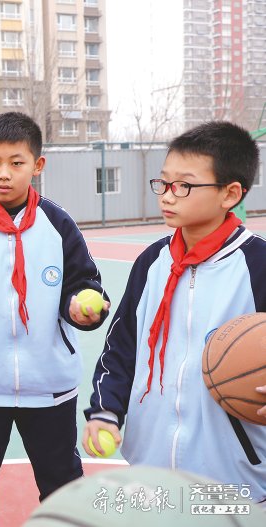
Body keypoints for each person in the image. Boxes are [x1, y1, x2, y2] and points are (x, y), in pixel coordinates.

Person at [0, 112, 111, 526]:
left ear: (38, 165)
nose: (4, 174)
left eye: (16, 162)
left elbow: (85, 285)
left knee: (62, 482)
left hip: (49, 386)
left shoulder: (58, 223)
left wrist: (83, 309)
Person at [83, 121, 266, 504]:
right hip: (151, 473)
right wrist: (105, 411)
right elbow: (121, 349)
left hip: (235, 478)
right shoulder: (152, 262)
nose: (167, 196)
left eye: (183, 185)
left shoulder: (258, 265)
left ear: (230, 193)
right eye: (163, 183)